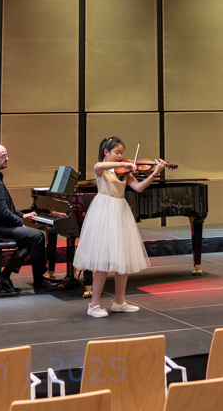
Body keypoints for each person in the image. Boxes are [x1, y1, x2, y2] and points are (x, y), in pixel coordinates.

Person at [73, 136, 166, 318]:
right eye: (117, 152)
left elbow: (139, 187)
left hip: (120, 211)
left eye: (122, 153)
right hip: (104, 211)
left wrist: (155, 173)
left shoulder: (124, 171)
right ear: (106, 152)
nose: (120, 156)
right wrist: (123, 164)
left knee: (122, 259)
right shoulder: (102, 168)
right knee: (102, 261)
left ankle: (119, 301)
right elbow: (99, 166)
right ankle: (94, 305)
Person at [0, 143, 58, 294]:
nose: (7, 158)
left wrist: (22, 215)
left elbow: (5, 209)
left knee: (31, 238)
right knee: (37, 237)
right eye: (3, 156)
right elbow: (2, 214)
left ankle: (5, 277)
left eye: (6, 155)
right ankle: (38, 281)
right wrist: (20, 222)